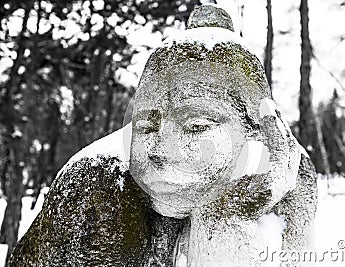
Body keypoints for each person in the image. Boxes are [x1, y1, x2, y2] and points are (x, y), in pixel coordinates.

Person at [9, 5, 317, 267]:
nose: (161, 148)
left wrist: (222, 221)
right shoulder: (99, 185)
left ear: (257, 131)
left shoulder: (291, 176)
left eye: (197, 125)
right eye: (145, 125)